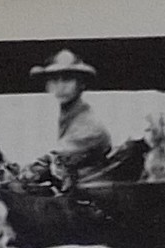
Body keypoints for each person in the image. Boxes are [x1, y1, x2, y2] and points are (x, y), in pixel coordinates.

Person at [21, 49, 112, 192]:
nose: (60, 86)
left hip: (91, 200)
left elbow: (53, 161)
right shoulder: (64, 117)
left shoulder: (89, 126)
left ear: (81, 84)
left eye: (67, 79)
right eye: (54, 80)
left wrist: (22, 175)